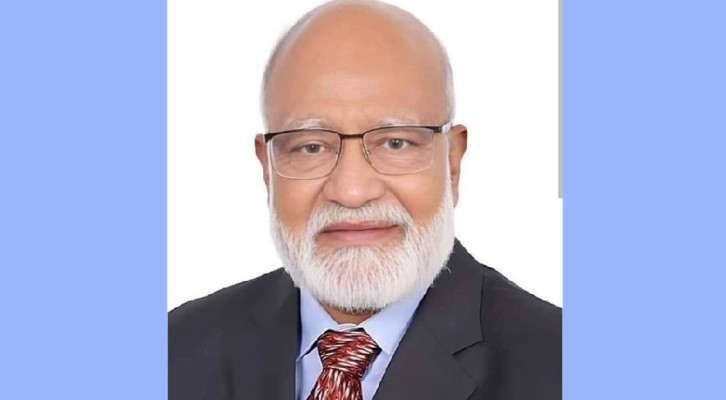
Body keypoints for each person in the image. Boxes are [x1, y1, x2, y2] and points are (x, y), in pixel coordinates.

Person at [168, 1, 561, 399]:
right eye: (310, 147)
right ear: (268, 169)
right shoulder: (173, 352)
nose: (352, 192)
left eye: (396, 142)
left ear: (452, 162)